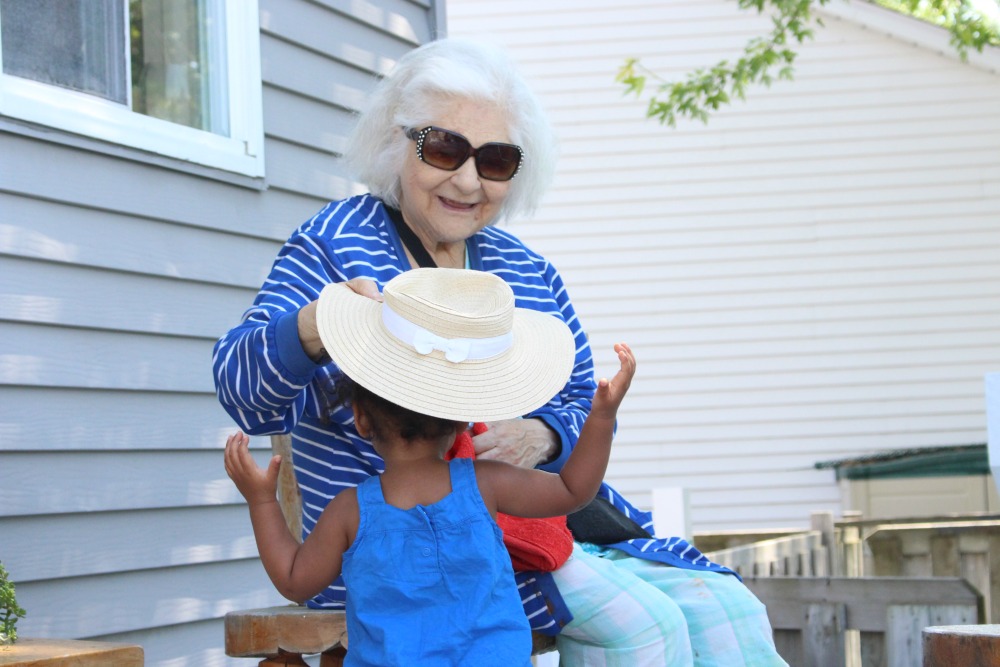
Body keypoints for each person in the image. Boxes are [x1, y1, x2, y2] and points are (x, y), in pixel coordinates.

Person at [213, 36, 786, 666]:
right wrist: (319, 323)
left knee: (729, 610)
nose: (466, 179)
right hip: (404, 559)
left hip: (536, 526)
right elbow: (242, 392)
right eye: (444, 147)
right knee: (647, 630)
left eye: (495, 160)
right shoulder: (332, 244)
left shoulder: (524, 269)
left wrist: (541, 434)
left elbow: (575, 395)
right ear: (395, 141)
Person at [224, 268, 636, 665]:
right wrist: (600, 418)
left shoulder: (350, 510)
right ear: (460, 420)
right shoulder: (486, 484)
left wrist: (261, 499)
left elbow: (295, 579)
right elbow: (574, 490)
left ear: (361, 419)